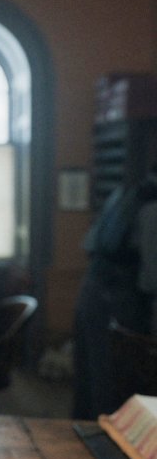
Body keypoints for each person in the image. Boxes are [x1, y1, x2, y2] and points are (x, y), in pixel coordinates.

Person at [73, 167, 157, 420]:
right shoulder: (152, 208)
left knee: (90, 376)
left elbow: (89, 244)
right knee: (111, 381)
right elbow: (151, 279)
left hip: (91, 289)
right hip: (117, 300)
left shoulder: (125, 193)